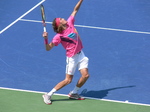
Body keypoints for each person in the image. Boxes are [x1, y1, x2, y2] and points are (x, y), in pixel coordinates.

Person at [42, 0, 90, 105]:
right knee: (68, 80)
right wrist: (46, 39)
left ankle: (74, 93)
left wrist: (81, 0)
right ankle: (48, 94)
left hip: (80, 54)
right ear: (60, 24)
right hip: (72, 58)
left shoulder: (70, 23)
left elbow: (75, 10)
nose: (64, 18)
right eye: (61, 19)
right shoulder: (58, 37)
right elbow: (48, 48)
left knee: (85, 75)